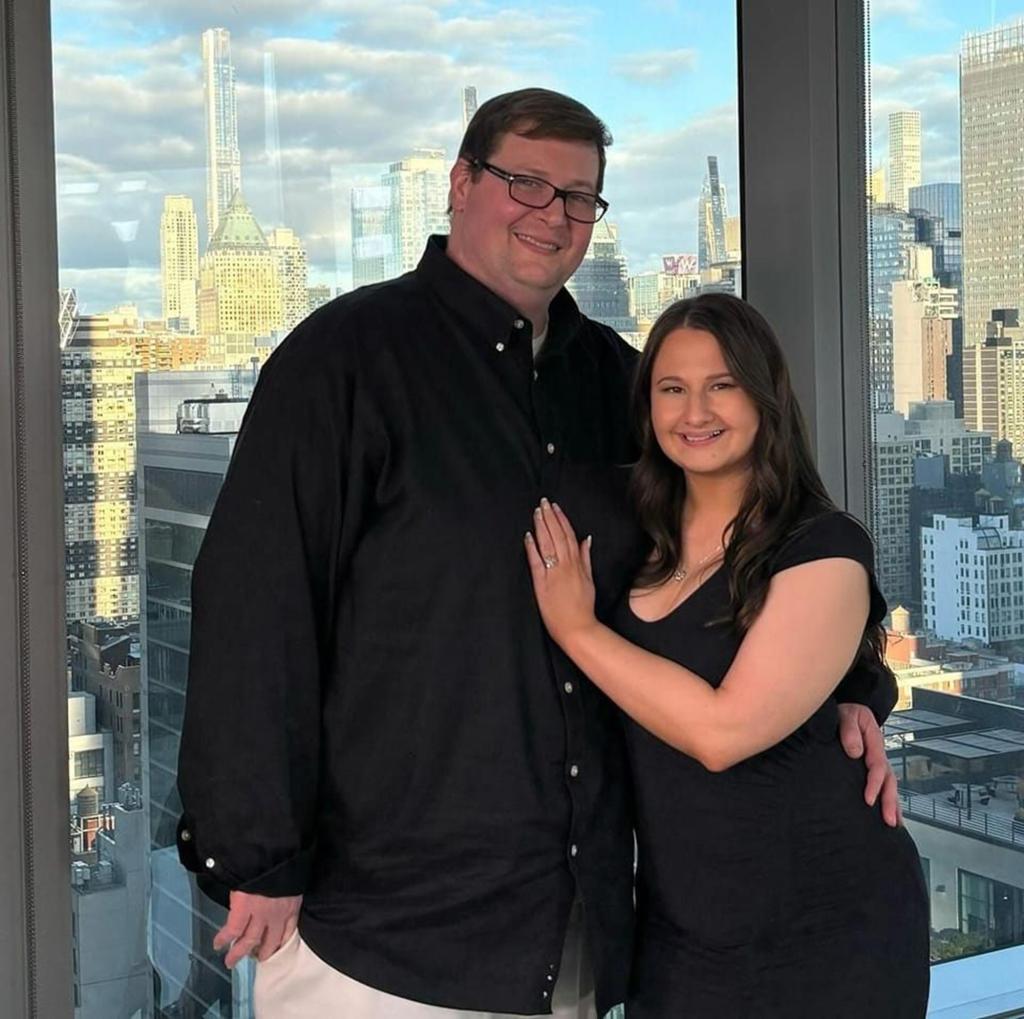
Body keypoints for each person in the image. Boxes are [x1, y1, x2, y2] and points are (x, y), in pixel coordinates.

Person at [176, 89, 900, 1019]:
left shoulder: (617, 381)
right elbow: (253, 608)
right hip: (383, 940)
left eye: (579, 197)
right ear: (461, 186)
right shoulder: (341, 360)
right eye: (526, 183)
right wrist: (254, 852)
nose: (552, 215)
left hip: (580, 930)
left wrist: (846, 688)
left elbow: (759, 543)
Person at [525, 293, 930, 1018]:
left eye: (722, 385)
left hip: (828, 929)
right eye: (672, 389)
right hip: (683, 936)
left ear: (765, 394)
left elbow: (723, 733)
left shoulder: (823, 547)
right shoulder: (633, 531)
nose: (695, 412)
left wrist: (579, 630)